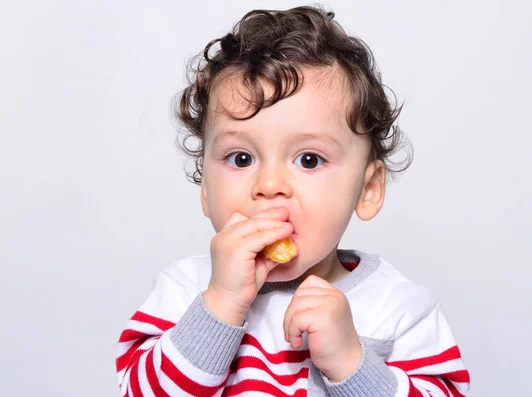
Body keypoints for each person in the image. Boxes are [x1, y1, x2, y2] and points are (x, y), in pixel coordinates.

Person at [116, 5, 470, 396]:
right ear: (205, 188)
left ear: (367, 190)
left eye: (309, 160)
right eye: (241, 158)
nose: (269, 185)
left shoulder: (398, 308)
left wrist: (350, 364)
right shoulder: (185, 292)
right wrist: (220, 305)